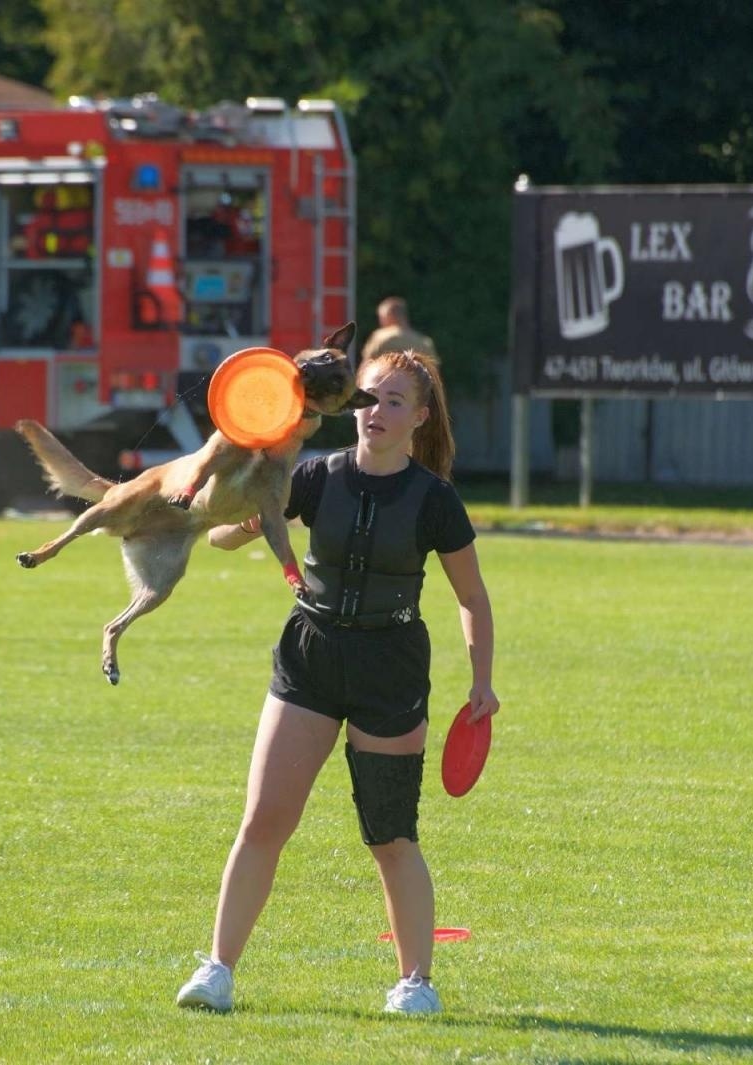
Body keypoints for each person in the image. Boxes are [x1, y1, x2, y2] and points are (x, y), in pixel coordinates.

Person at [175, 348, 499, 1016]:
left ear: (420, 417)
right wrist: (244, 493)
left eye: (392, 401)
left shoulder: (434, 500)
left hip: (390, 667)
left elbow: (472, 598)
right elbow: (220, 539)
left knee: (390, 834)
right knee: (264, 820)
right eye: (367, 396)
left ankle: (415, 982)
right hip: (312, 655)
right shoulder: (316, 476)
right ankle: (217, 971)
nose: (374, 411)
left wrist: (482, 682)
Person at [360, 297, 437, 366]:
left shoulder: (380, 337)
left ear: (389, 316)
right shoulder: (425, 342)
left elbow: (366, 366)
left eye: (381, 318)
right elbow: (434, 374)